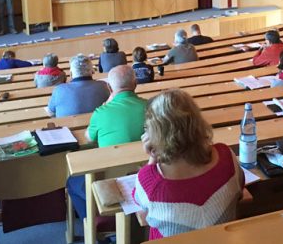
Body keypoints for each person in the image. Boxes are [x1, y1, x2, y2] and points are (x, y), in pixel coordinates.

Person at [132, 89, 244, 240]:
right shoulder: (226, 156)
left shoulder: (150, 182)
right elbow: (240, 186)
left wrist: (153, 159)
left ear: (156, 133)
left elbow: (138, 199)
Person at [68, 65, 148, 220]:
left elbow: (89, 138)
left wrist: (105, 105)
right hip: (144, 173)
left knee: (72, 182)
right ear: (135, 84)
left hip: (110, 181)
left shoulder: (102, 112)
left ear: (110, 88)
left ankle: (93, 224)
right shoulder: (151, 106)